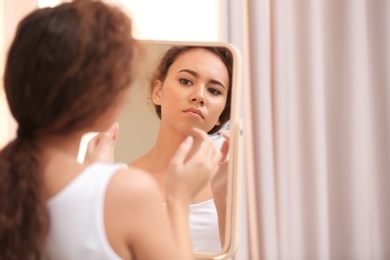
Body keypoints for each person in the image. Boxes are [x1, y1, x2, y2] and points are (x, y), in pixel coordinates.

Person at [0, 1, 222, 259]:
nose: (199, 96)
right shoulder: (130, 191)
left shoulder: (12, 176)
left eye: (214, 89)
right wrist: (179, 198)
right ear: (100, 96)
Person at [128, 45, 233, 253]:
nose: (199, 96)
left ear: (221, 115)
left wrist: (224, 203)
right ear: (158, 92)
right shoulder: (120, 179)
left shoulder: (233, 186)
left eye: (214, 90)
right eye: (186, 81)